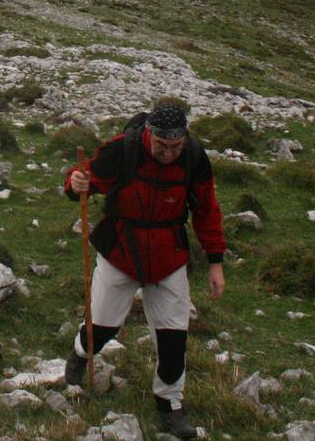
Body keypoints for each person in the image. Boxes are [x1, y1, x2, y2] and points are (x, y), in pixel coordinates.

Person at [62, 102, 226, 439]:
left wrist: (215, 262)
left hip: (168, 254)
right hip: (121, 249)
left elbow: (207, 210)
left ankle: (169, 406)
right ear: (149, 134)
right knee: (103, 325)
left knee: (172, 336)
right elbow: (85, 177)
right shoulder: (123, 150)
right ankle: (81, 353)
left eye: (175, 147)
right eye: (162, 146)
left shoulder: (194, 159)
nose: (168, 153)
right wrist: (75, 183)